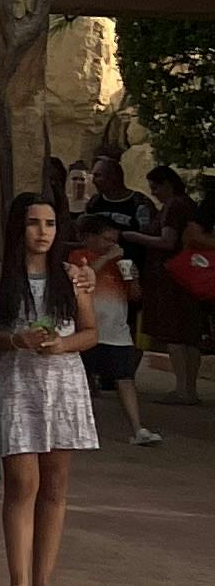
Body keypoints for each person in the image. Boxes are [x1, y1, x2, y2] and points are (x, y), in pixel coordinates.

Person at [0, 191, 95, 586]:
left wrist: (62, 344)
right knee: (21, 483)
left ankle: (43, 582)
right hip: (18, 380)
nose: (42, 232)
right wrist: (17, 340)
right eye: (34, 223)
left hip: (63, 382)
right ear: (19, 227)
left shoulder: (69, 275)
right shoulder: (1, 274)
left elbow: (90, 331)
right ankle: (18, 582)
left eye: (50, 224)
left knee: (55, 486)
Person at [81, 148, 165, 443]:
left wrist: (134, 279)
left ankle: (137, 428)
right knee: (84, 379)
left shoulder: (138, 203)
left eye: (101, 175)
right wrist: (106, 258)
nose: (96, 180)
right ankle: (84, 428)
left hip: (116, 330)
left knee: (124, 377)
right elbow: (82, 278)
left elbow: (134, 296)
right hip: (88, 328)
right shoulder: (82, 255)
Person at [147, 169, 207, 409]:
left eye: (155, 187)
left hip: (173, 277)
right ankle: (188, 388)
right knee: (190, 335)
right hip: (191, 276)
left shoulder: (175, 206)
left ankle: (183, 388)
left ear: (167, 184)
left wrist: (133, 237)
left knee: (176, 334)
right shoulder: (189, 205)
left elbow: (167, 240)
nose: (153, 192)